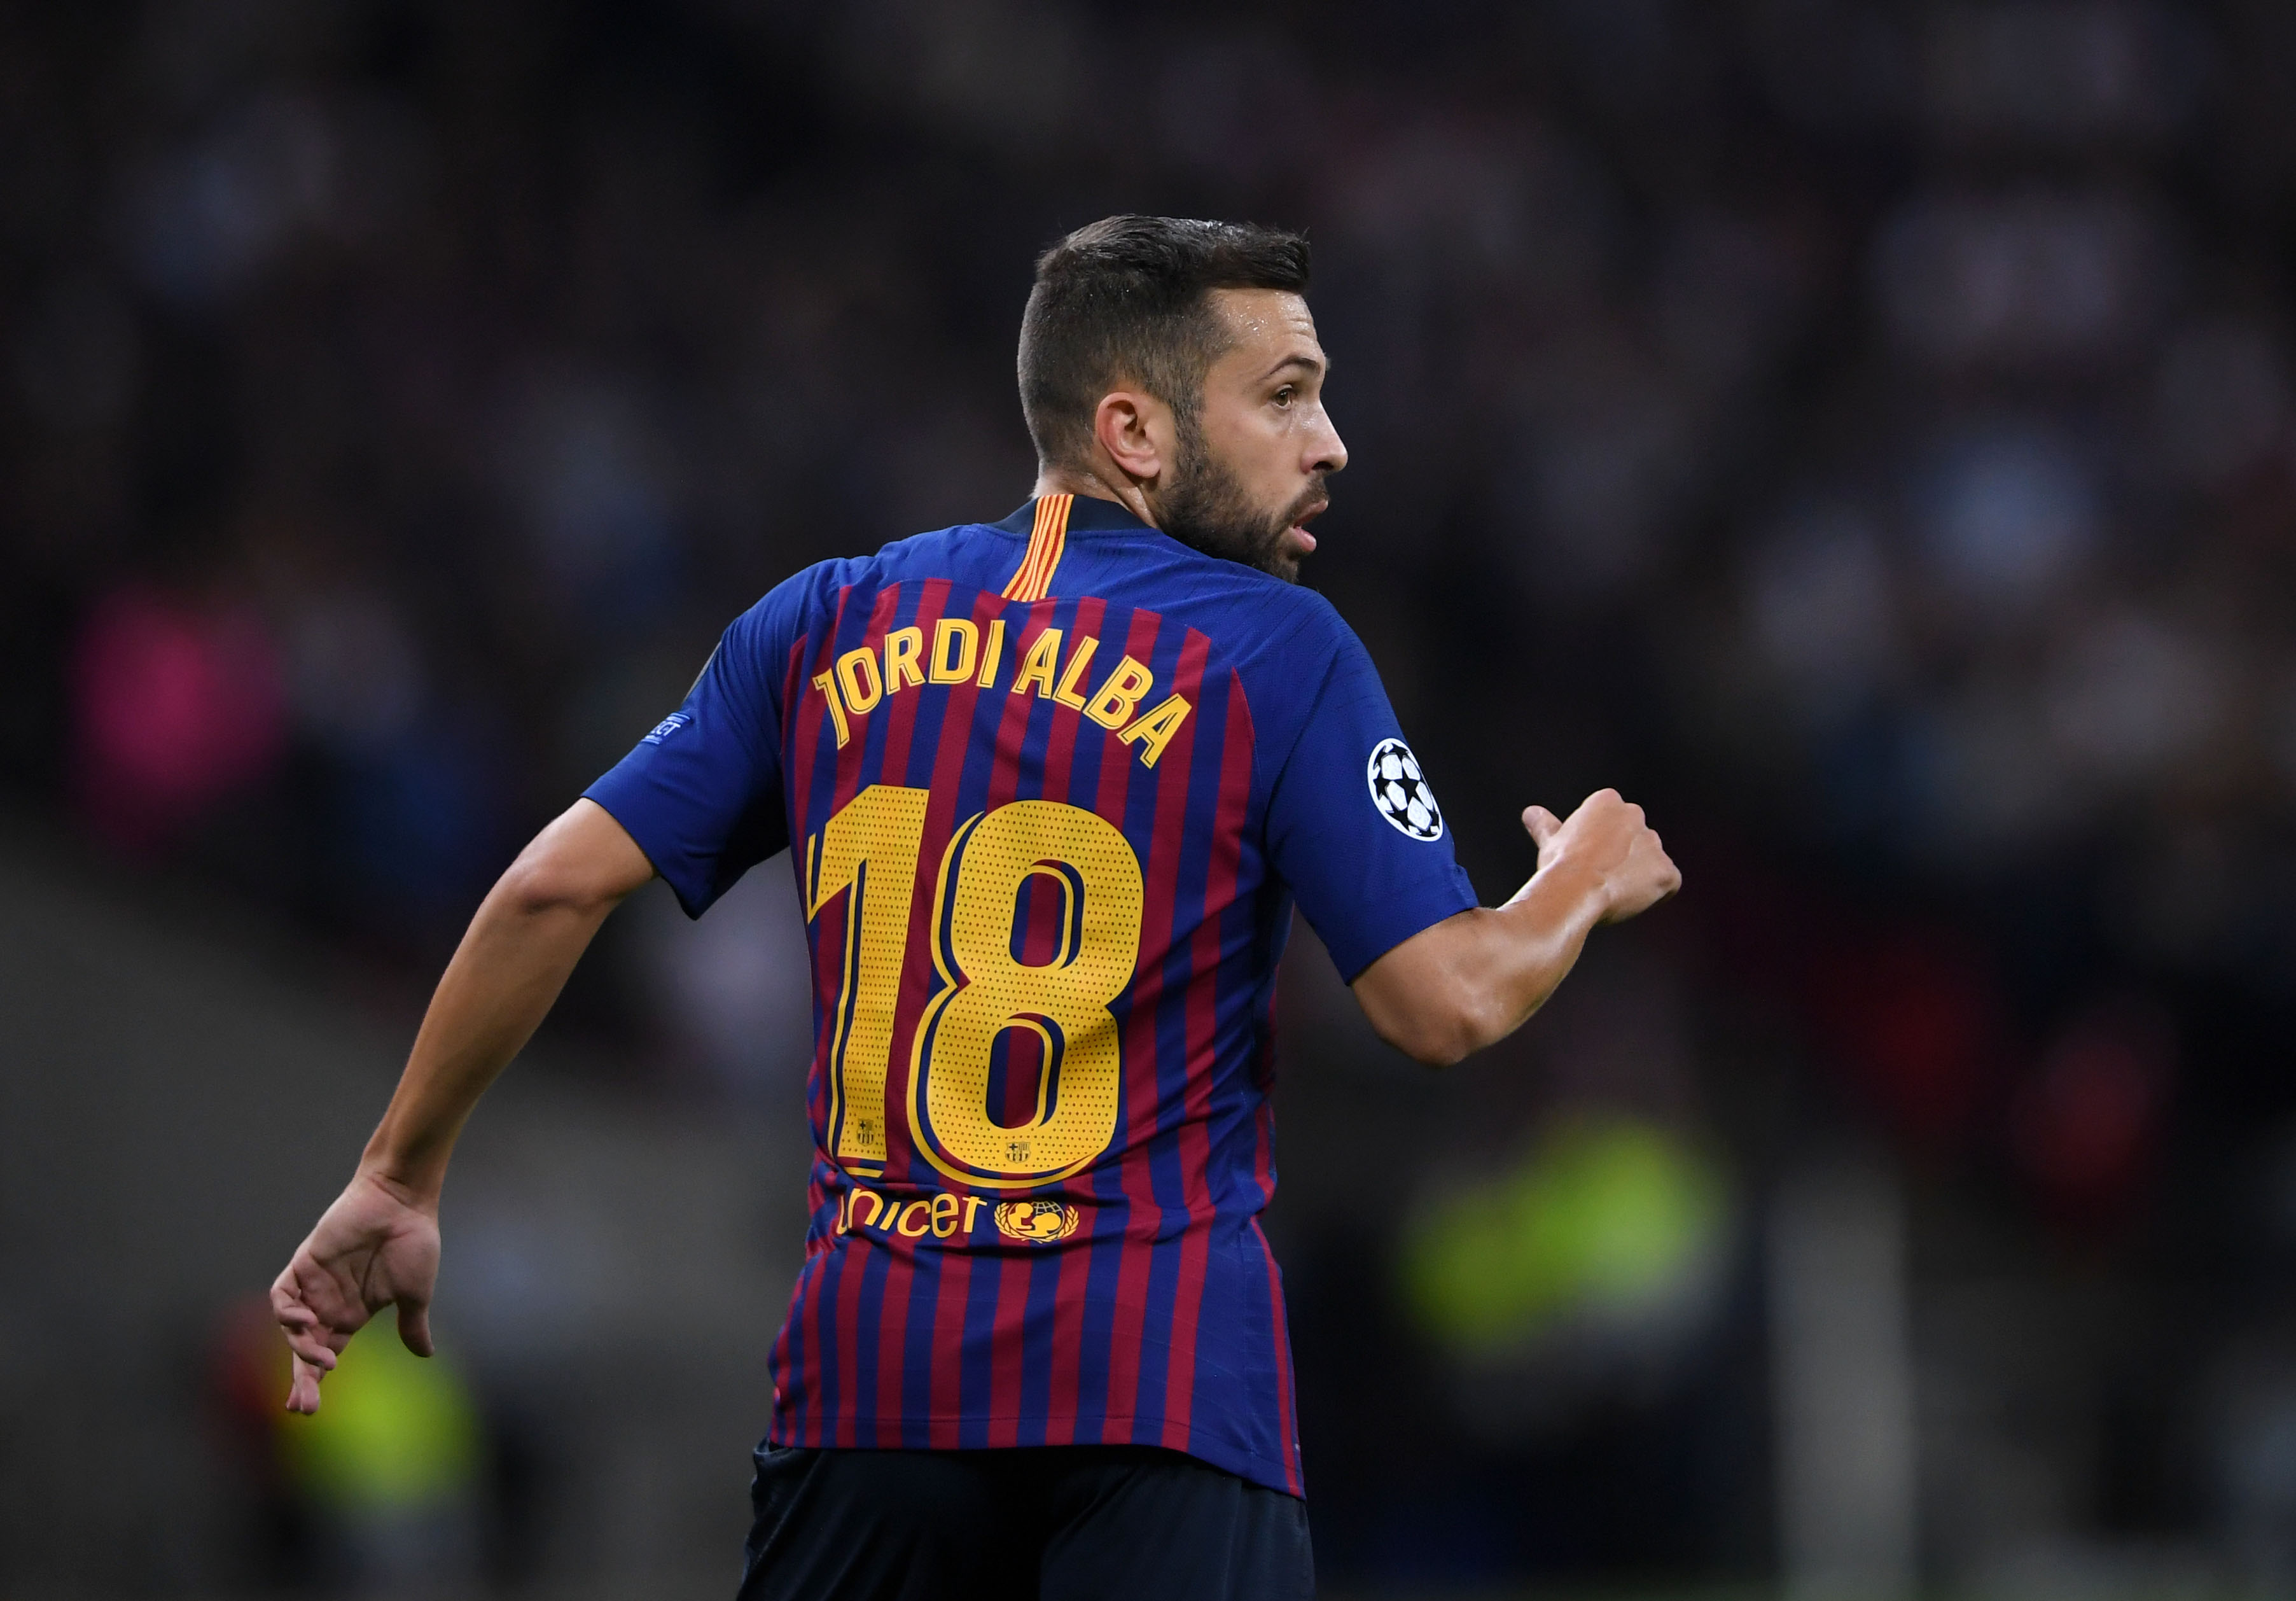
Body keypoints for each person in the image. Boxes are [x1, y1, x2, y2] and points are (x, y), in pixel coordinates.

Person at [272, 214, 1681, 1600]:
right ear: (1133, 431)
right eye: (1285, 398)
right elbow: (1445, 1002)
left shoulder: (824, 619)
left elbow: (545, 886)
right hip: (1158, 1391)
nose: (1330, 445)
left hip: (866, 1387)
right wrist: (1579, 877)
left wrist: (399, 1173)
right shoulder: (1275, 651)